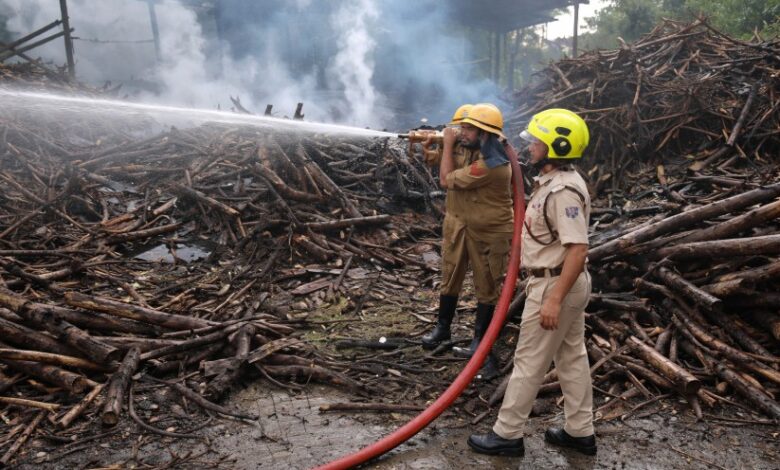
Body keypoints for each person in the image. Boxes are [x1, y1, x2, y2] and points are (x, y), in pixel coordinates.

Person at [467, 108, 596, 457]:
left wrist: (553, 299)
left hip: (556, 285)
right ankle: (580, 431)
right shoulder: (554, 181)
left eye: (537, 141)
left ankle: (507, 434)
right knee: (571, 358)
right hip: (561, 284)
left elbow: (578, 248)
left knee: (529, 361)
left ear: (556, 146)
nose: (530, 146)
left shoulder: (564, 192)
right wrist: (504, 142)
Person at [420, 103, 514, 378]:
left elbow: (446, 179)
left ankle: (481, 344)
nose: (462, 132)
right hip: (458, 223)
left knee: (487, 286)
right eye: (462, 127)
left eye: (469, 128)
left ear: (485, 133)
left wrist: (447, 145)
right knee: (450, 276)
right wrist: (432, 147)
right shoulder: (469, 146)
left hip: (488, 231)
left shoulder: (493, 163)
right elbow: (437, 162)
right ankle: (443, 328)